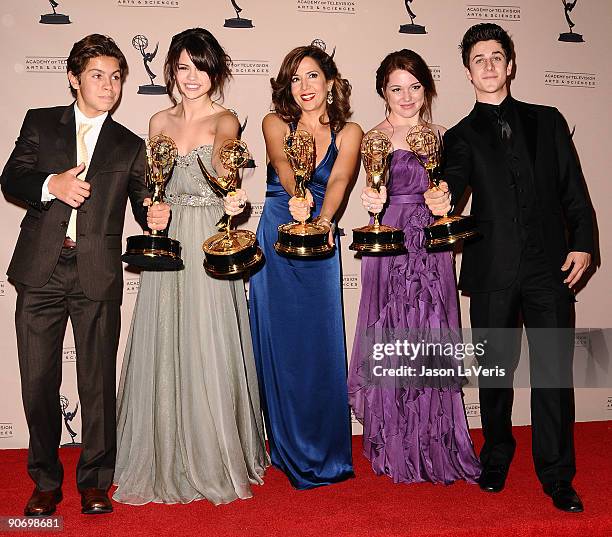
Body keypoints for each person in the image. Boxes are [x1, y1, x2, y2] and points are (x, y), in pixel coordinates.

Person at [425, 23, 593, 512]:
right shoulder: (459, 135)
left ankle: (557, 474)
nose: (490, 65)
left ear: (511, 64)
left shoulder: (548, 120)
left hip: (549, 268)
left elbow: (573, 190)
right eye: (479, 59)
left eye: (497, 56)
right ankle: (496, 453)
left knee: (554, 370)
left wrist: (582, 242)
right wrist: (443, 196)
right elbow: (453, 179)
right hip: (492, 268)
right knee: (497, 372)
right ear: (467, 71)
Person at [1, 34, 170, 516]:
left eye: (117, 77)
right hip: (40, 271)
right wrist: (51, 185)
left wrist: (156, 215)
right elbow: (12, 178)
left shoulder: (130, 144)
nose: (109, 85)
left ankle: (95, 481)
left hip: (96, 273)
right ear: (74, 78)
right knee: (37, 380)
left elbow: (144, 203)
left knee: (96, 383)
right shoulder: (40, 123)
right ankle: (45, 480)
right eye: (98, 75)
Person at [113, 28, 268, 505]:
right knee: (163, 338)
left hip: (208, 240)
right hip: (170, 238)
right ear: (171, 72)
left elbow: (224, 161)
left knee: (209, 340)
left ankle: (213, 452)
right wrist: (150, 211)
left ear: (215, 70)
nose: (193, 76)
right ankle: (163, 454)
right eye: (183, 66)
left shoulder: (226, 120)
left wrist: (231, 185)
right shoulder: (158, 120)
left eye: (201, 66)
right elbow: (151, 188)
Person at [351, 49, 481, 485]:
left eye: (415, 86)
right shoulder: (373, 138)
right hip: (388, 239)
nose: (406, 97)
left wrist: (444, 199)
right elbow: (370, 194)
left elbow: (450, 193)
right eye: (396, 88)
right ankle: (395, 442)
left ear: (426, 89)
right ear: (383, 93)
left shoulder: (443, 136)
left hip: (430, 241)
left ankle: (435, 440)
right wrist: (371, 201)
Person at [249, 45, 362, 489]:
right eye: (295, 79)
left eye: (312, 76)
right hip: (278, 231)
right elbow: (281, 161)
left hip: (320, 236)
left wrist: (323, 220)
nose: (304, 87)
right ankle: (286, 446)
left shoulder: (349, 131)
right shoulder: (274, 122)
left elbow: (339, 179)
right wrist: (298, 199)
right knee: (279, 345)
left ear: (330, 82)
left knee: (319, 345)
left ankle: (327, 450)